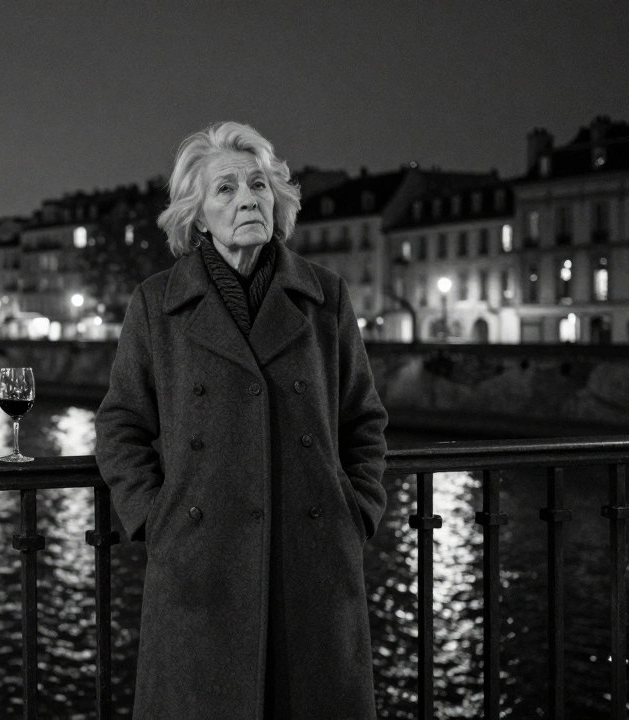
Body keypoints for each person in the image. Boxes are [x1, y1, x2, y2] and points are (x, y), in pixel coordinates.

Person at [94, 121, 388, 719]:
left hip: (313, 566)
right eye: (225, 189)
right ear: (198, 215)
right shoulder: (157, 302)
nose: (248, 198)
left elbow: (364, 418)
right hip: (200, 570)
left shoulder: (324, 295)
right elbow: (120, 423)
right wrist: (159, 520)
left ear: (276, 199)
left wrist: (356, 511)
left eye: (258, 184)